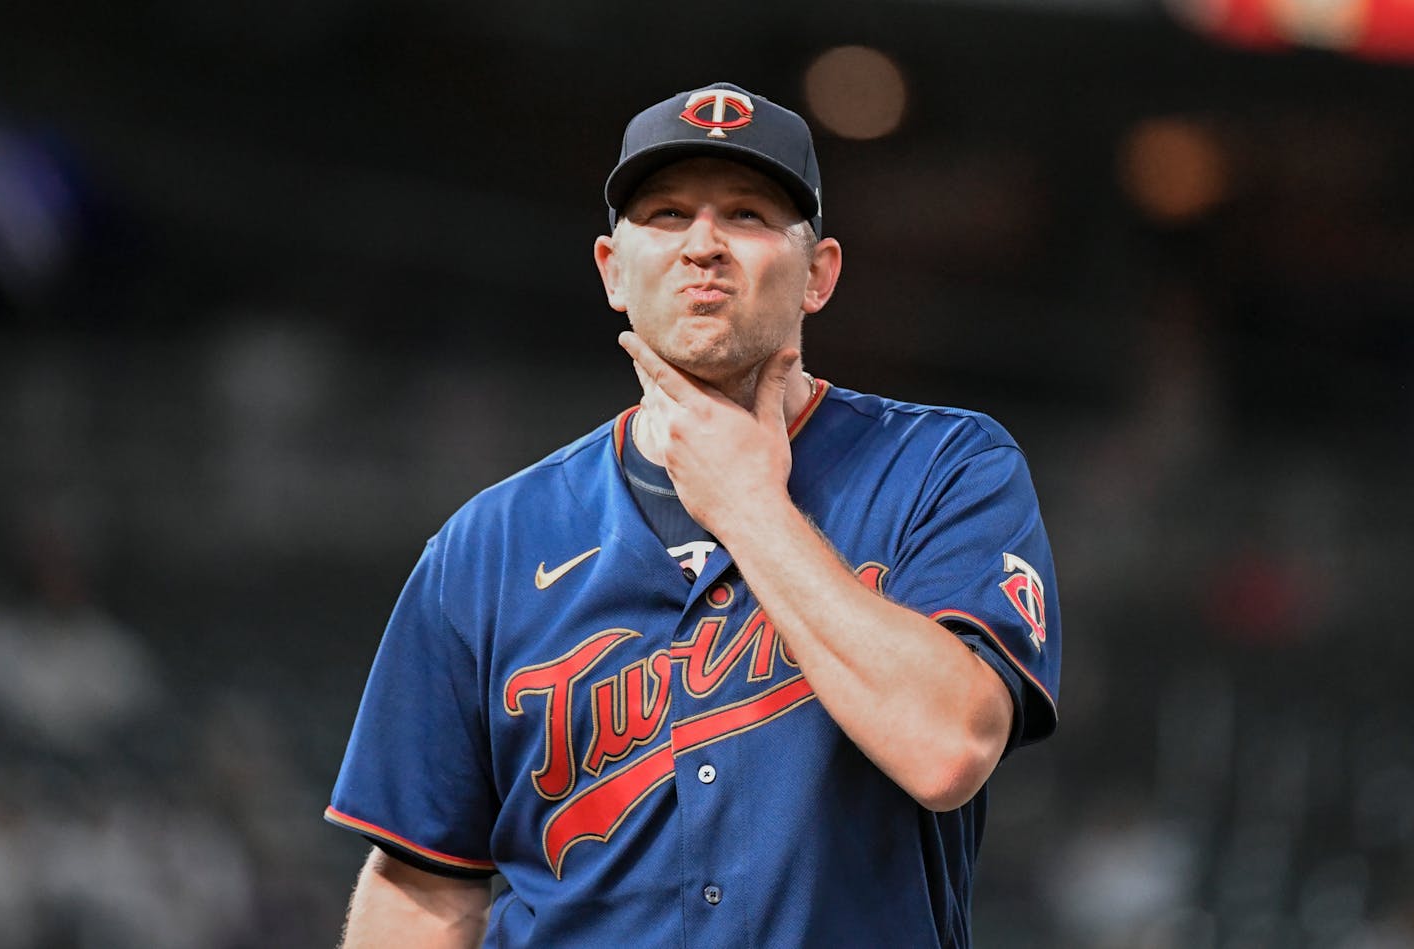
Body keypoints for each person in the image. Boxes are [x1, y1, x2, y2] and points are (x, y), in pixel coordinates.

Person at [325, 81, 1061, 949]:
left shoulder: (943, 469)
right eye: (667, 215)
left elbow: (948, 749)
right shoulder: (486, 545)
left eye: (748, 215)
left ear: (819, 273)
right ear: (612, 270)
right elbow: (422, 887)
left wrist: (750, 505)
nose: (703, 245)